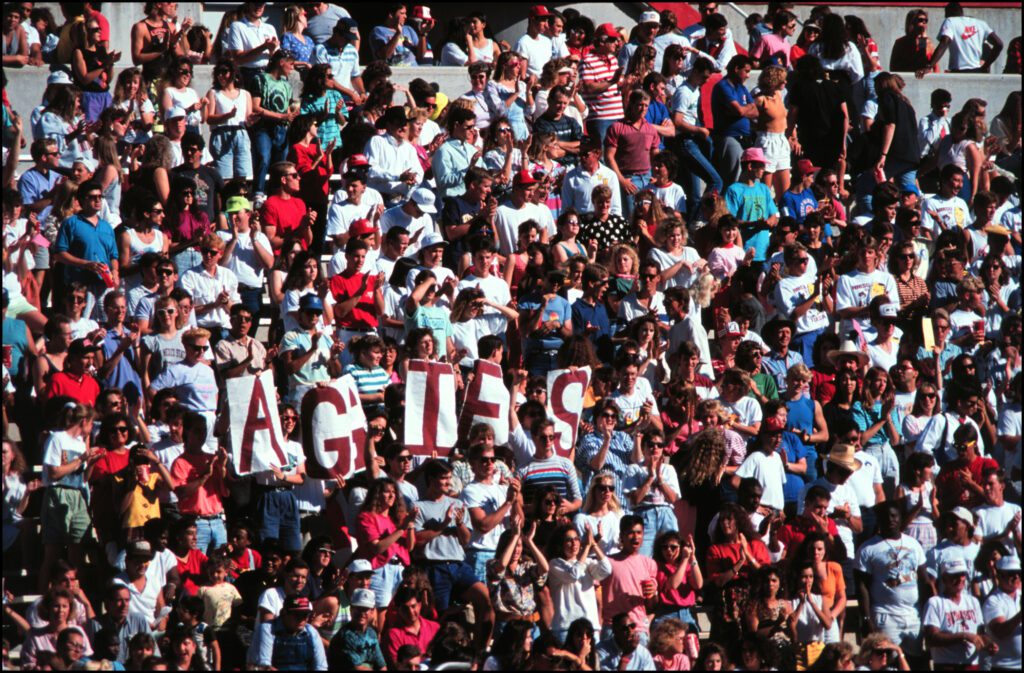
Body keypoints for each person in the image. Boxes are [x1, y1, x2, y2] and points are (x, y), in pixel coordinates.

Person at [924, 558, 997, 668]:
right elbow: (931, 639)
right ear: (944, 578)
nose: (959, 579)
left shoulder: (973, 601)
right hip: (947, 664)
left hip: (971, 664)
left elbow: (980, 633)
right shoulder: (935, 602)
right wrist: (963, 636)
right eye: (954, 575)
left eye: (962, 574)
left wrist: (989, 644)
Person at [918, 1, 1004, 76]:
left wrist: (929, 66)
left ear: (947, 13)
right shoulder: (981, 24)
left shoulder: (950, 21)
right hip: (977, 71)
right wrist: (986, 65)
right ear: (961, 12)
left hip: (958, 71)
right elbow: (999, 44)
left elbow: (944, 42)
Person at [255, 595, 328, 670]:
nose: (302, 619)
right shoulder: (268, 629)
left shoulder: (311, 632)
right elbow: (264, 665)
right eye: (297, 615)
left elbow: (321, 666)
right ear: (284, 613)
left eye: (305, 615)